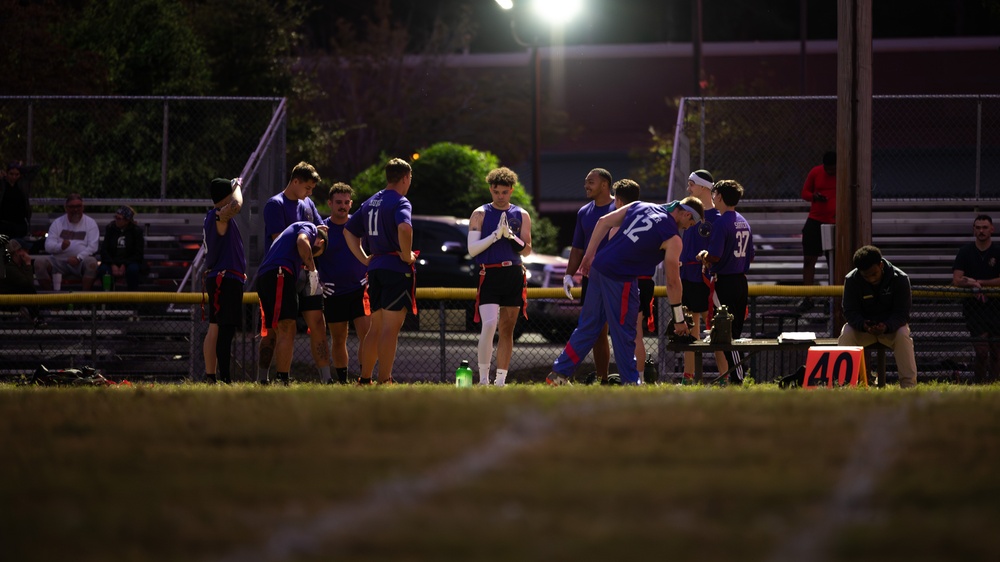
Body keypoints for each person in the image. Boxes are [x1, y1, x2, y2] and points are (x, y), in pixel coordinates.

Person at [546, 183, 703, 386]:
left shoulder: (641, 205)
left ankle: (558, 374)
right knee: (625, 331)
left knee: (588, 326)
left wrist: (589, 254)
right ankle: (631, 383)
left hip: (599, 267)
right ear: (686, 215)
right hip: (621, 277)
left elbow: (603, 222)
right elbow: (673, 282)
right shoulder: (673, 239)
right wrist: (679, 318)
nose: (687, 228)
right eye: (690, 224)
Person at [344, 157, 416, 385]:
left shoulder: (370, 202)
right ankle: (385, 379)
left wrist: (364, 258)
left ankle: (365, 378)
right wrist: (407, 255)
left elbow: (348, 231)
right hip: (395, 268)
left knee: (375, 327)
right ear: (405, 177)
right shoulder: (400, 201)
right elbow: (404, 228)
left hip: (375, 269)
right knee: (389, 329)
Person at [259, 161, 331, 384]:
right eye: (307, 188)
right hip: (282, 271)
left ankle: (327, 378)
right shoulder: (275, 204)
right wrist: (310, 251)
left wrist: (315, 249)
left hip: (304, 270)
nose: (309, 193)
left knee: (318, 322)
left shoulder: (307, 203)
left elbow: (323, 234)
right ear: (295, 181)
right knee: (278, 328)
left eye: (312, 190)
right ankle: (265, 377)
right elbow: (282, 241)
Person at [467, 166, 532, 387]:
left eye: (504, 192)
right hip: (490, 272)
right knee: (490, 324)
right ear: (491, 190)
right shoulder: (480, 213)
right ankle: (483, 379)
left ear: (511, 190)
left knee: (507, 327)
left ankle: (501, 380)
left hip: (513, 272)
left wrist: (511, 237)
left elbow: (527, 250)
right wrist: (495, 235)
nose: (500, 196)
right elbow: (473, 249)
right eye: (496, 192)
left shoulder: (521, 214)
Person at [255, 221, 328, 385]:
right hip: (279, 274)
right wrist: (312, 268)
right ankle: (282, 379)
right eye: (316, 252)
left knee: (272, 330)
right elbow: (303, 241)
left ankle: (262, 378)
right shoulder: (309, 228)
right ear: (320, 241)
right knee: (287, 327)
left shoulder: (287, 236)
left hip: (268, 276)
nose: (312, 256)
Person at [696, 179, 754, 384]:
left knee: (727, 334)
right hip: (741, 281)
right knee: (734, 331)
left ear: (719, 196)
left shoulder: (722, 221)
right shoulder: (743, 221)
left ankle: (738, 378)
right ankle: (737, 377)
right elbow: (751, 256)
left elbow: (716, 256)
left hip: (725, 282)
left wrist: (704, 255)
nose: (713, 197)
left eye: (715, 194)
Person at [561, 168, 615, 383]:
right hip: (592, 280)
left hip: (617, 278)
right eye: (586, 182)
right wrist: (568, 275)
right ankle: (603, 380)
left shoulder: (619, 208)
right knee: (597, 332)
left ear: (605, 184)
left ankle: (634, 378)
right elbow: (577, 249)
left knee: (625, 331)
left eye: (591, 182)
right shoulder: (584, 211)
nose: (586, 186)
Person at [839, 245, 918, 389]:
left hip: (891, 330)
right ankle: (845, 386)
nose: (870, 279)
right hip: (864, 330)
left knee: (903, 334)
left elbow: (902, 313)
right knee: (847, 333)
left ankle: (909, 387)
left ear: (881, 265)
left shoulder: (900, 278)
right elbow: (849, 312)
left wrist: (887, 326)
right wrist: (863, 325)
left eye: (874, 274)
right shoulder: (851, 280)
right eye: (866, 276)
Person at [317, 182, 372, 384]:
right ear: (330, 203)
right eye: (338, 202)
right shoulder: (322, 228)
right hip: (334, 292)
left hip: (360, 288)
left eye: (347, 202)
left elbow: (371, 253)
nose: (343, 206)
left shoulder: (358, 226)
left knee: (367, 336)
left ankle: (364, 378)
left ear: (351, 204)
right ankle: (342, 381)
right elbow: (309, 258)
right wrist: (319, 282)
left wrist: (369, 274)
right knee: (339, 338)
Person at [679, 169, 727, 382]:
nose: (688, 188)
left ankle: (725, 377)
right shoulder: (686, 212)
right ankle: (688, 377)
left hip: (709, 279)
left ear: (704, 187)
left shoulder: (718, 217)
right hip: (688, 275)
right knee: (690, 328)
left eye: (692, 184)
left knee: (717, 330)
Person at [202, 177, 246, 384]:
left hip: (223, 277)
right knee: (225, 328)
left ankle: (211, 376)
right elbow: (236, 204)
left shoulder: (216, 216)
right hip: (224, 278)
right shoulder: (220, 215)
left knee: (216, 326)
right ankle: (224, 378)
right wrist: (237, 185)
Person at [951, 214, 1000, 383]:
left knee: (996, 353)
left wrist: (980, 282)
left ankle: (993, 386)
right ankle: (978, 385)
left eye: (985, 227)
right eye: (978, 227)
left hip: (996, 307)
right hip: (974, 308)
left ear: (992, 229)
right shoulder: (965, 252)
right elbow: (957, 280)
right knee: (981, 352)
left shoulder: (998, 251)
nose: (981, 230)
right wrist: (972, 283)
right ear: (974, 229)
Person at [33, 193, 100, 291]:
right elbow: (48, 246)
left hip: (80, 262)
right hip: (58, 261)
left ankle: (83, 301)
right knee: (39, 263)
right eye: (72, 207)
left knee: (92, 263)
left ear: (83, 207)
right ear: (66, 208)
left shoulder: (90, 223)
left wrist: (78, 258)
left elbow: (93, 247)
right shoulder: (58, 223)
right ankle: (50, 300)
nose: (76, 209)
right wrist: (61, 247)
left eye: (78, 206)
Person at [798, 151, 836, 311]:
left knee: (833, 262)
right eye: (827, 169)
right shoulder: (816, 172)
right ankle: (808, 298)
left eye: (832, 169)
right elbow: (804, 193)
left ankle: (833, 297)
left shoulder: (845, 173)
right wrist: (815, 196)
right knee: (809, 260)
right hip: (815, 219)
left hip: (835, 221)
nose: (830, 172)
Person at [95, 206, 145, 291]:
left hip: (130, 261)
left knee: (133, 270)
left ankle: (132, 298)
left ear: (127, 220)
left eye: (119, 218)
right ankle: (108, 298)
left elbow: (138, 253)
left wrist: (124, 264)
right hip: (112, 260)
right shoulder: (110, 229)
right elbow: (104, 250)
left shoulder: (136, 231)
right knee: (104, 270)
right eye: (116, 217)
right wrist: (112, 264)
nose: (116, 220)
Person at [0, 237, 43, 326]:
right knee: (27, 288)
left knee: (27, 289)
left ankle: (37, 317)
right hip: (5, 302)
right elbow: (28, 284)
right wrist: (28, 264)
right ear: (17, 252)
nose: (27, 252)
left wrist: (25, 265)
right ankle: (37, 318)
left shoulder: (19, 264)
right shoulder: (8, 266)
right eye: (24, 250)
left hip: (14, 300)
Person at [0, 163, 31, 239]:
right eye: (11, 174)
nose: (14, 177)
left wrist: (22, 169)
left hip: (19, 224)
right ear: (7, 174)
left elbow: (36, 169)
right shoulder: (2, 185)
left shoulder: (21, 185)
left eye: (17, 174)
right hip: (4, 223)